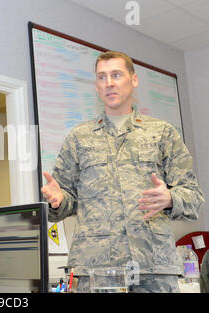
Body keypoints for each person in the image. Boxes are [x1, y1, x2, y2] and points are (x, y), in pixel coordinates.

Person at [41, 50, 205, 293]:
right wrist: (58, 202)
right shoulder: (78, 138)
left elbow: (193, 197)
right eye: (101, 77)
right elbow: (64, 203)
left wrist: (171, 198)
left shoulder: (162, 133)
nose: (109, 83)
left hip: (153, 269)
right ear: (96, 86)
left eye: (116, 74)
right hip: (93, 270)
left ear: (134, 80)